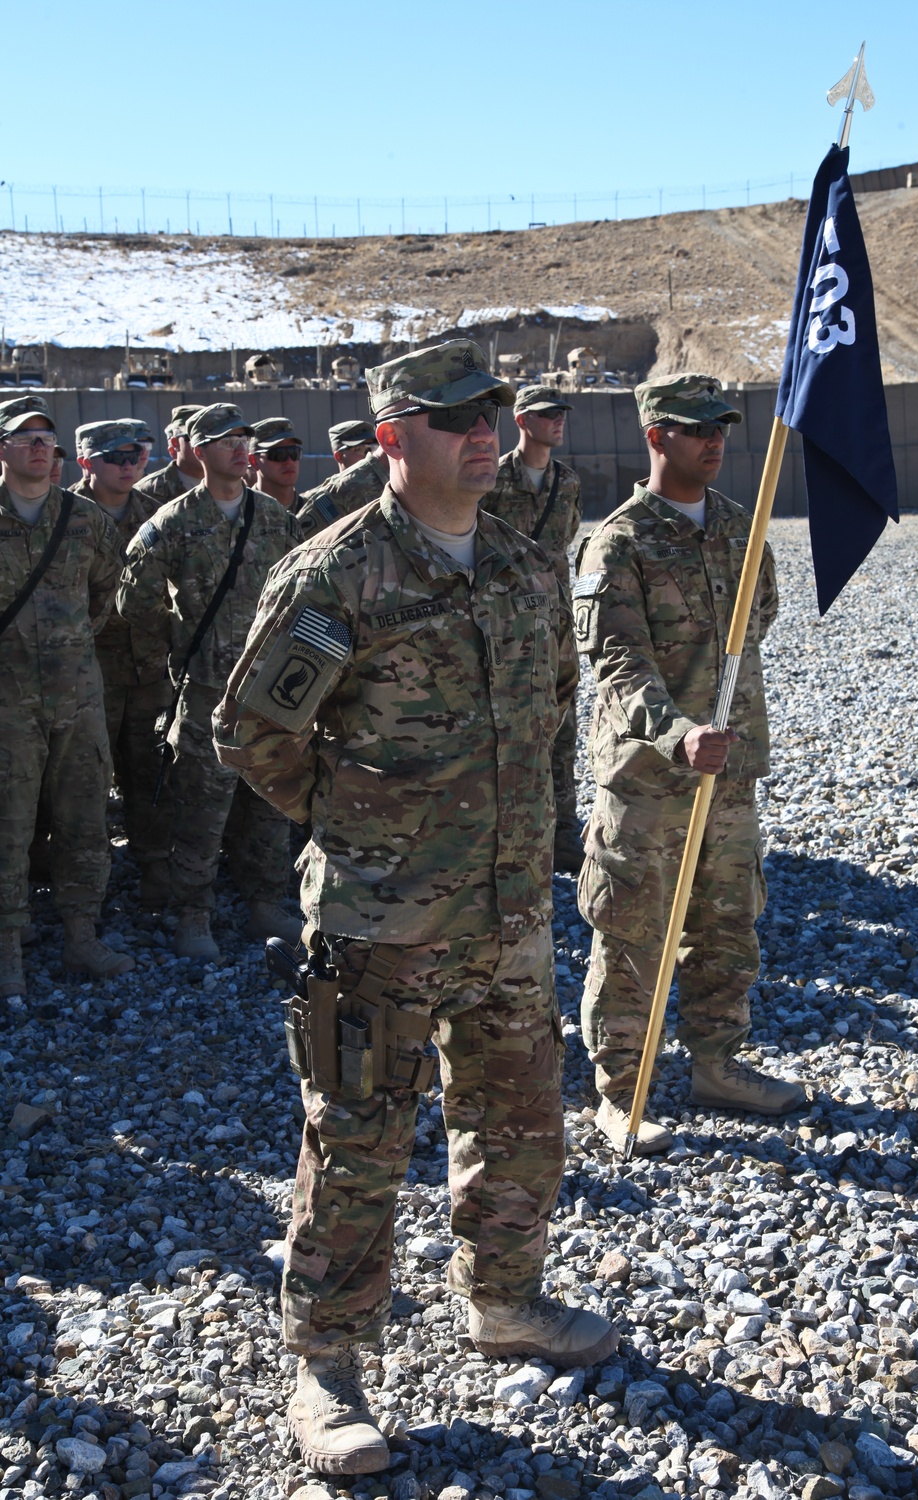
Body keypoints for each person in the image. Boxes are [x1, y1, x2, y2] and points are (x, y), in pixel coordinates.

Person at [213, 339, 615, 1477]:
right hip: (379, 924)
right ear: (392, 438)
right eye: (452, 419)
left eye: (487, 413)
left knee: (521, 1119)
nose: (482, 433)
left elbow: (547, 728)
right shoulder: (337, 575)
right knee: (355, 1139)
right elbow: (250, 737)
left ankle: (507, 1300)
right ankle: (326, 1369)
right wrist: (361, 829)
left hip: (507, 916)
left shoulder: (528, 566)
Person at [575, 374, 806, 1154]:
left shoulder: (744, 528)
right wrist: (676, 733)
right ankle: (619, 1090)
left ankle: (719, 1062)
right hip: (651, 781)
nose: (713, 440)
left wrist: (718, 736)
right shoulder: (618, 543)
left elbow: (761, 613)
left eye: (721, 427)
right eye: (694, 427)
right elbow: (617, 662)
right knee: (633, 931)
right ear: (655, 435)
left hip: (730, 774)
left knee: (728, 923)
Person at [117, 403, 304, 961]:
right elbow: (134, 602)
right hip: (205, 694)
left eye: (245, 440)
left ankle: (265, 902)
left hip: (266, 691)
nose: (240, 450)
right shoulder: (172, 522)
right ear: (199, 452)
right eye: (226, 441)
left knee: (267, 802)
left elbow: (303, 593)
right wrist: (176, 652)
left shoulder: (273, 520)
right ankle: (192, 914)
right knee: (202, 807)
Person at [0, 394, 135, 1000]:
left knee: (84, 820)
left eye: (46, 439)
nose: (38, 447)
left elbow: (108, 594)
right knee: (7, 827)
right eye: (24, 436)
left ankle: (81, 935)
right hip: (5, 707)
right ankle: (8, 950)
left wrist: (69, 643)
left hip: (79, 701)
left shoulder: (84, 521)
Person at [72, 419, 175, 909]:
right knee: (84, 782)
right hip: (87, 674)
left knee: (149, 772)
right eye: (116, 457)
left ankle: (155, 869)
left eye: (136, 455)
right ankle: (83, 884)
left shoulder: (158, 516)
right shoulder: (63, 516)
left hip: (149, 669)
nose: (129, 465)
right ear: (87, 461)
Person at [482, 385, 583, 873]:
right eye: (547, 414)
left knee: (563, 728)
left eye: (561, 413)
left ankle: (564, 832)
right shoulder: (494, 479)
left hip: (557, 622)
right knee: (511, 729)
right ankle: (512, 836)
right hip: (508, 624)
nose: (557, 421)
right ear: (521, 420)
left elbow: (568, 538)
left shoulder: (568, 482)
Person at [296, 428, 389, 540]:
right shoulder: (336, 492)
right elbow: (299, 541)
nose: (368, 454)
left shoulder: (391, 480)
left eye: (373, 447)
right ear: (339, 456)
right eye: (359, 449)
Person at [133, 403, 204, 505]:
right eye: (193, 437)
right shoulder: (146, 492)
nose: (201, 443)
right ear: (175, 443)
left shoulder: (229, 486)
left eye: (208, 438)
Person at [248, 418, 306, 516]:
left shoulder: (313, 510)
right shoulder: (243, 514)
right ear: (254, 461)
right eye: (279, 454)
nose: (289, 461)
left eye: (294, 452)